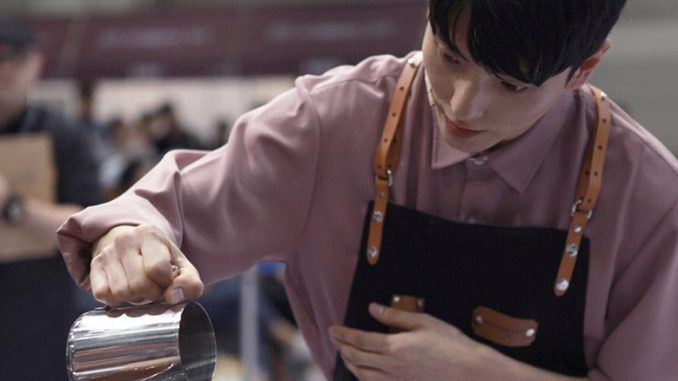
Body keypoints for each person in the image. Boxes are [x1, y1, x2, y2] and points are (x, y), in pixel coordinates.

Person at [56, 1, 678, 380]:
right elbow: (175, 208)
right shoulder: (338, 123)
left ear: (585, 69)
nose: (464, 105)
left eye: (512, 86)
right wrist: (132, 233)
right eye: (451, 55)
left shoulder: (648, 199)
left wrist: (483, 374)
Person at [0, 18, 102, 380]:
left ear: (35, 64)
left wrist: (13, 205)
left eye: (13, 58)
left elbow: (86, 224)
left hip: (41, 319)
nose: (4, 69)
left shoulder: (63, 135)